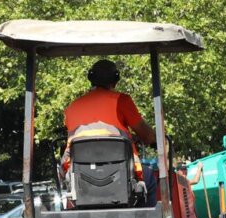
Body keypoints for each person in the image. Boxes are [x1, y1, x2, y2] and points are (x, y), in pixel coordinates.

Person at [65, 59, 158, 202]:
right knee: (150, 178)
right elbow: (148, 136)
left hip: (80, 177)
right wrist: (156, 141)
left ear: (91, 79)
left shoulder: (72, 106)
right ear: (115, 79)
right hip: (122, 176)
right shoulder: (121, 100)